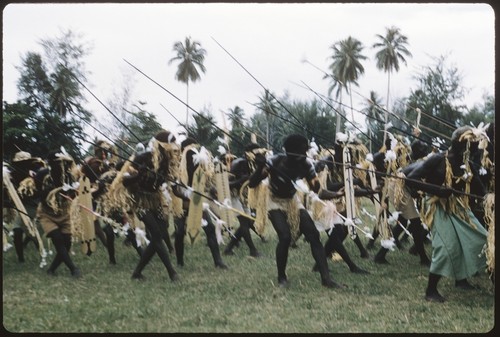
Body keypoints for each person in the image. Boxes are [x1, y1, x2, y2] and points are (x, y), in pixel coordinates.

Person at [405, 125, 489, 302]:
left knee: (480, 238)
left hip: (458, 206)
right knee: (445, 247)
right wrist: (437, 190)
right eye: (471, 148)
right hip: (436, 206)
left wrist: (490, 200)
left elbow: (480, 190)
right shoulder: (436, 159)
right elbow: (411, 179)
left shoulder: (467, 164)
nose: (474, 152)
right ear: (459, 145)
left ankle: (461, 279)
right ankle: (430, 291)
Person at [248, 133, 342, 289]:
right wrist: (259, 167)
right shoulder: (275, 162)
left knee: (313, 234)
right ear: (289, 151)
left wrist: (328, 189)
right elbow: (252, 183)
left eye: (306, 150)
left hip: (292, 200)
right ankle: (281, 277)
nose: (305, 154)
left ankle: (326, 279)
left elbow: (317, 190)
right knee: (285, 237)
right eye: (301, 151)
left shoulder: (305, 165)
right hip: (273, 200)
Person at [106, 130, 179, 282]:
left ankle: (137, 272)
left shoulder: (168, 162)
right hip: (139, 201)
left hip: (155, 200)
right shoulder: (143, 158)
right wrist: (139, 174)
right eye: (170, 148)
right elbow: (125, 181)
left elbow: (164, 181)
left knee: (157, 237)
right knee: (157, 236)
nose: (173, 151)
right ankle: (172, 273)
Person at [172, 137, 228, 269]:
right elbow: (175, 190)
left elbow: (205, 183)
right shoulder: (176, 167)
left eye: (195, 153)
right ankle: (180, 262)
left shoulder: (199, 167)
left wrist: (210, 190)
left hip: (197, 201)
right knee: (180, 232)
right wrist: (187, 197)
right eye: (191, 153)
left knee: (209, 228)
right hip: (182, 203)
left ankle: (218, 261)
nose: (194, 156)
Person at [35, 149, 82, 278]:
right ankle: (73, 269)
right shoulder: (42, 175)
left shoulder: (69, 176)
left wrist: (71, 193)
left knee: (67, 243)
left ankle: (51, 270)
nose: (60, 165)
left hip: (64, 211)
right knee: (58, 239)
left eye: (61, 162)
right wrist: (49, 192)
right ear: (50, 163)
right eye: (56, 163)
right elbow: (39, 196)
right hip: (47, 213)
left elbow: (73, 194)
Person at [222, 143, 264, 258]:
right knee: (244, 222)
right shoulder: (239, 163)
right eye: (256, 152)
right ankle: (253, 250)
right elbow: (226, 183)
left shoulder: (254, 164)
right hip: (233, 195)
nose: (258, 155)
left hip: (244, 197)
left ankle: (229, 248)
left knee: (248, 222)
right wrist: (240, 180)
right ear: (249, 153)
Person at [4, 151, 46, 263]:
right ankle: (21, 258)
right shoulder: (12, 175)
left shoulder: (37, 172)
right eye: (20, 163)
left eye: (25, 162)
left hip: (35, 206)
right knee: (17, 232)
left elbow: (42, 191)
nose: (22, 164)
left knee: (32, 233)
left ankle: (41, 250)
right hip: (20, 206)